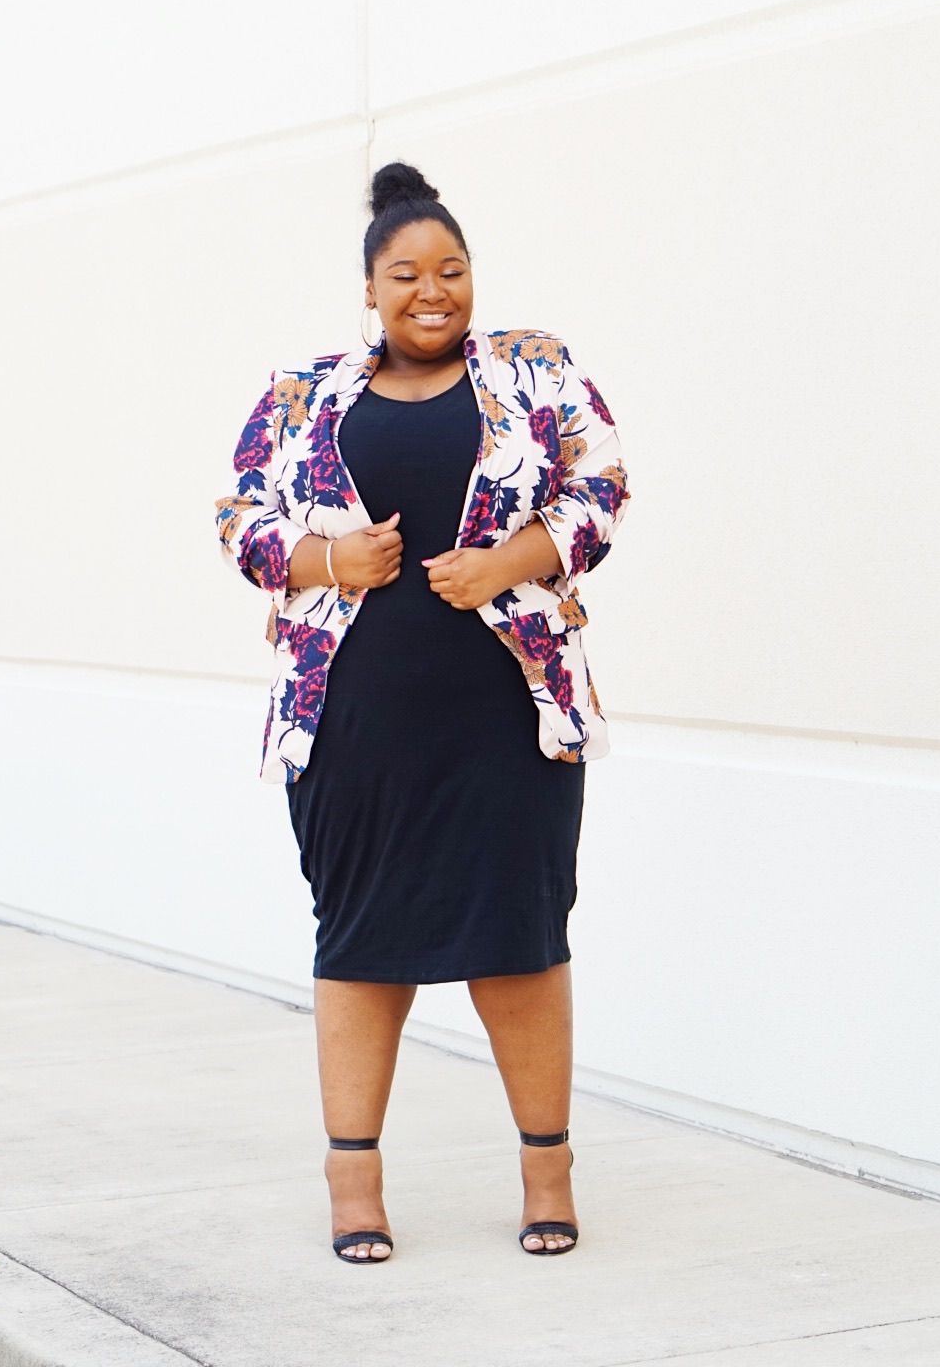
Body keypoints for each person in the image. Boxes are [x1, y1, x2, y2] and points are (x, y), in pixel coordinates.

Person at [214, 161, 630, 1263]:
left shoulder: (536, 370)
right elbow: (238, 516)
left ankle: (550, 1167)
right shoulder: (301, 392)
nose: (432, 289)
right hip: (350, 719)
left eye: (452, 269)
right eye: (407, 272)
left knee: (521, 938)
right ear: (370, 288)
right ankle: (353, 1180)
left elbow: (602, 486)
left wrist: (508, 562)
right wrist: (328, 555)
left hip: (511, 714)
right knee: (360, 942)